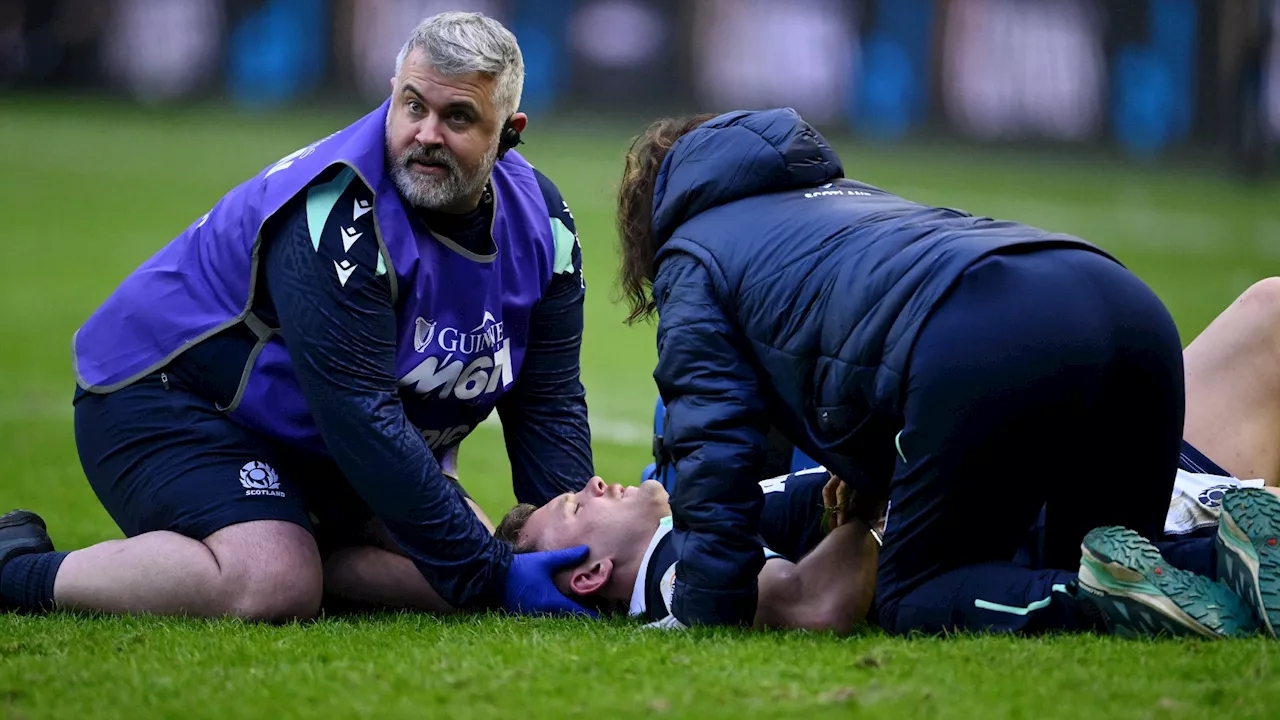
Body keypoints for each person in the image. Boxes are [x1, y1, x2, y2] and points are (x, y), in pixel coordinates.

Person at [0, 12, 595, 621]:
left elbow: (546, 399)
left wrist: (584, 546)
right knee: (276, 581)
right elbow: (361, 417)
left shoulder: (543, 222)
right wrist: (490, 576)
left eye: (459, 117)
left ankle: (317, 553)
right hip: (166, 396)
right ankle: (15, 569)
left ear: (510, 132)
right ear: (392, 96)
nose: (427, 134)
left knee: (460, 540)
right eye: (413, 106)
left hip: (312, 432)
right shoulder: (337, 212)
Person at [609, 106, 1223, 636]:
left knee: (915, 597)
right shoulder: (850, 197)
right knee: (1111, 560)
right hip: (1129, 306)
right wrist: (867, 471)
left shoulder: (693, 251)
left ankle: (1117, 599)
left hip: (988, 335)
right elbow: (864, 337)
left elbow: (714, 443)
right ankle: (1235, 558)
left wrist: (704, 610)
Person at [495, 470, 879, 633]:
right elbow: (814, 603)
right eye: (576, 506)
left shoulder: (680, 532)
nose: (594, 482)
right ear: (592, 574)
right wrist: (875, 498)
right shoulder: (679, 568)